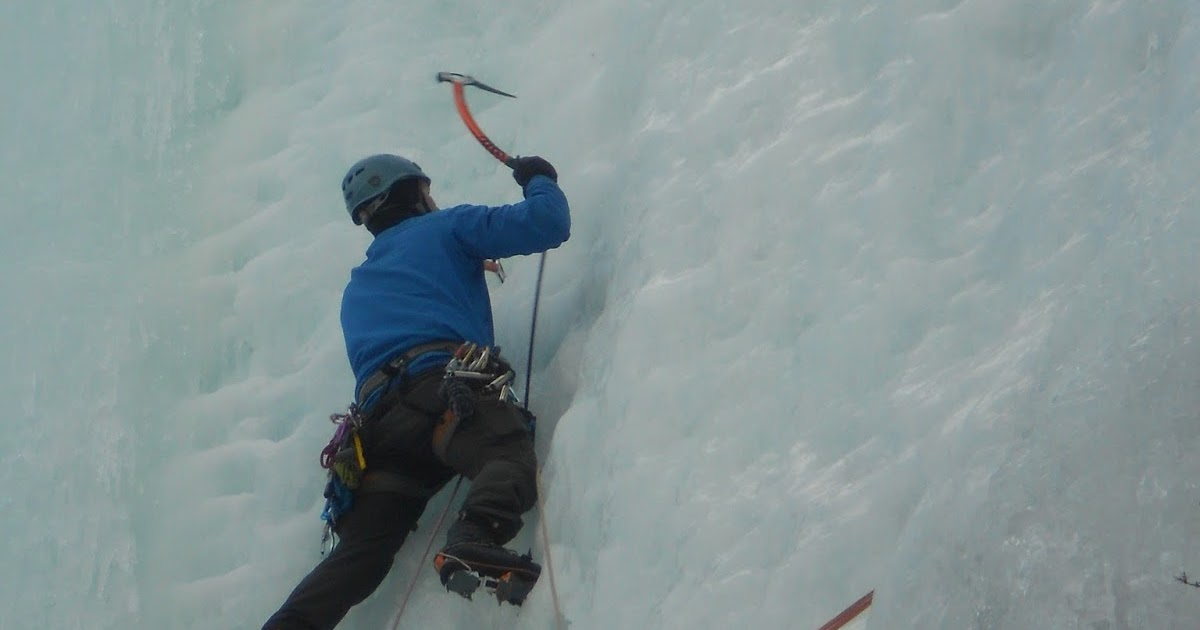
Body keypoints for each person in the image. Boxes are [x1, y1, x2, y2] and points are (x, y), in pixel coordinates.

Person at [263, 153, 569, 630]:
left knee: (362, 554)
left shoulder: (359, 285)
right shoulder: (448, 228)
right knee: (505, 455)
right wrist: (539, 179)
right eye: (425, 190)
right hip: (443, 391)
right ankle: (475, 533)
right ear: (410, 194)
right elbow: (547, 222)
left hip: (381, 431)